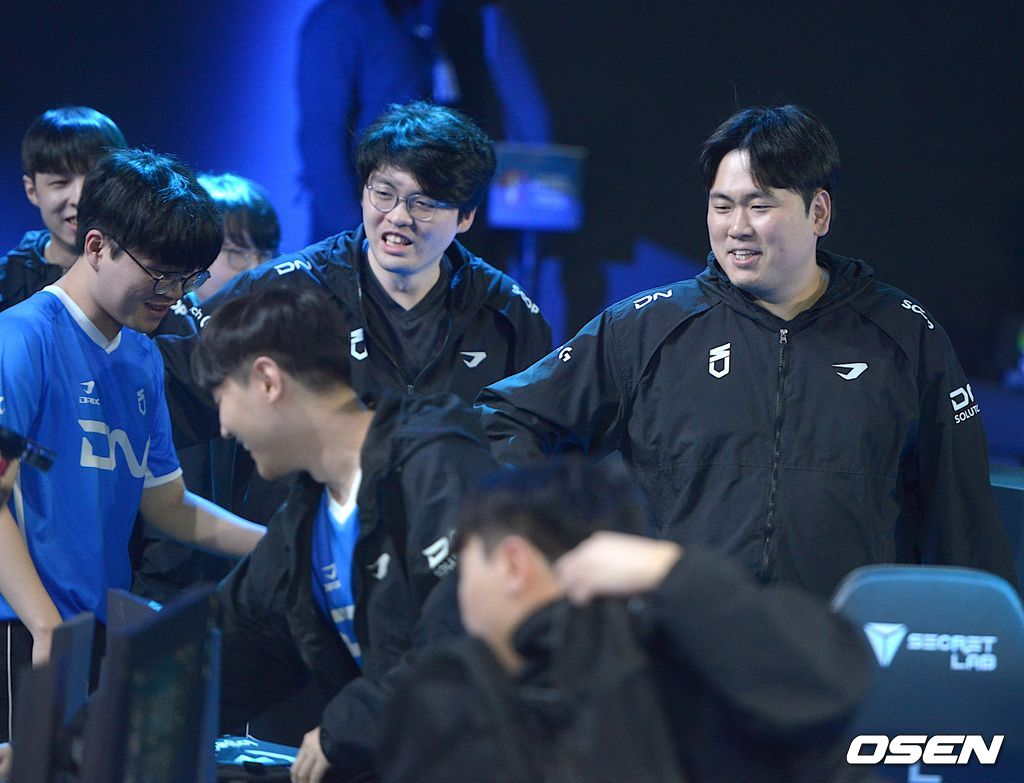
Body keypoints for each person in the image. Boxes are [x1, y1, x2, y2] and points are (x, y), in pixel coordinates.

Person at [478, 104, 1017, 599]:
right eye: (722, 206)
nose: (737, 228)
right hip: (679, 646)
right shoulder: (644, 329)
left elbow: (963, 520)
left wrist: (988, 647)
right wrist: (560, 542)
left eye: (760, 206)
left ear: (819, 213)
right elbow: (505, 420)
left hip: (843, 651)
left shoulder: (906, 336)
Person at [380, 458, 873, 783]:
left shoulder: (684, 662)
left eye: (465, 568)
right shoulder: (709, 660)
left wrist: (673, 572)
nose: (461, 599)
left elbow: (834, 683)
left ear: (513, 563)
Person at [0, 149, 266, 742]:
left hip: (95, 633)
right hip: (25, 631)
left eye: (189, 279)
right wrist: (45, 626)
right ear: (97, 247)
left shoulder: (143, 354)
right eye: (161, 274)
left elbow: (167, 504)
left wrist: (276, 544)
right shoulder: (20, 340)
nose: (174, 293)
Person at [191, 285, 499, 783]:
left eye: (221, 396)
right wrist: (90, 736)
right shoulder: (305, 516)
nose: (224, 427)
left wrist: (347, 726)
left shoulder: (436, 466)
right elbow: (233, 642)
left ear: (268, 380)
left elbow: (469, 637)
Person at [135, 172, 284, 602]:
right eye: (236, 253)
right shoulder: (155, 332)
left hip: (236, 574)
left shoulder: (271, 343)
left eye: (265, 253)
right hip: (160, 577)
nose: (256, 269)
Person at [298, 0, 551, 238]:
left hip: (441, 227)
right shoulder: (343, 19)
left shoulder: (461, 18)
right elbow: (322, 142)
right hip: (369, 232)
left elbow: (525, 121)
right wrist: (357, 238)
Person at [0, 106, 127, 312]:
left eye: (94, 179)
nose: (79, 198)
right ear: (32, 190)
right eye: (60, 182)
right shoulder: (6, 285)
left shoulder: (153, 279)